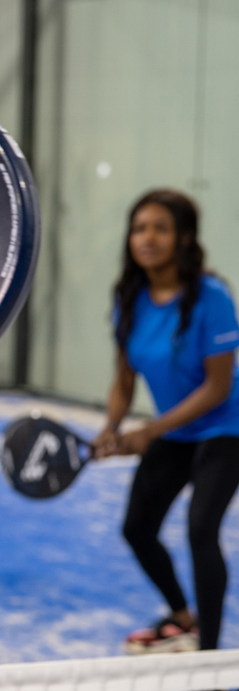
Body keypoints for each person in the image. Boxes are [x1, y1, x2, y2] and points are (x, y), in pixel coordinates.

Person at [92, 189, 239, 654]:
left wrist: (149, 431)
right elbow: (123, 380)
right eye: (139, 228)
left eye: (160, 227)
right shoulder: (129, 298)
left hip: (227, 427)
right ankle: (181, 617)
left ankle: (209, 664)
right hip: (175, 431)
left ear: (183, 238)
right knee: (137, 527)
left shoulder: (212, 298)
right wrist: (112, 427)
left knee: (201, 530)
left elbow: (217, 387)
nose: (147, 238)